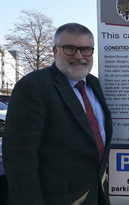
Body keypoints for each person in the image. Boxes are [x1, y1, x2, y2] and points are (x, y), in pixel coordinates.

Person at [3, 23, 113, 205]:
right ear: (55, 50)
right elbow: (19, 159)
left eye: (86, 50)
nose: (79, 56)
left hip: (95, 195)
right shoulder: (33, 86)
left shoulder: (95, 84)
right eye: (70, 49)